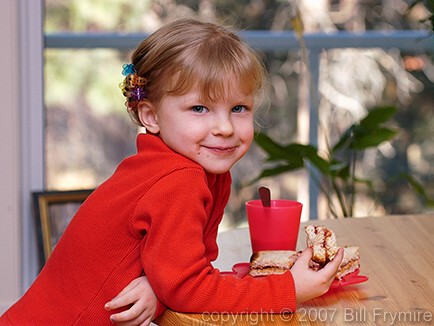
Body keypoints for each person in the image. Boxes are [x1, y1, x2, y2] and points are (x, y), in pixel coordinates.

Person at [0, 18, 343, 326]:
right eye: (199, 108)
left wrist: (159, 286)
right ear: (150, 116)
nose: (224, 127)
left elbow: (193, 260)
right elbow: (191, 288)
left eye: (239, 108)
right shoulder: (178, 180)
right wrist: (288, 289)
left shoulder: (199, 169)